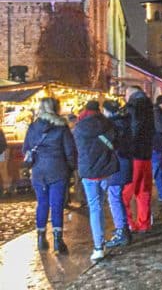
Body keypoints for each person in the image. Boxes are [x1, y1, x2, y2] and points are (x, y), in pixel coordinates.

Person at [23, 97, 76, 254]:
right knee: (57, 204)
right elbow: (70, 151)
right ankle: (58, 241)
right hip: (58, 170)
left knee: (42, 203)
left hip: (39, 170)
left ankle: (41, 238)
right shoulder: (62, 128)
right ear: (56, 108)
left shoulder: (33, 127)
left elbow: (26, 148)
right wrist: (71, 168)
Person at [72, 101, 119, 262]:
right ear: (98, 110)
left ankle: (98, 246)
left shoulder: (79, 127)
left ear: (85, 110)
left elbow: (75, 150)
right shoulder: (107, 123)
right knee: (104, 203)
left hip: (88, 171)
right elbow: (115, 143)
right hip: (106, 170)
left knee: (95, 207)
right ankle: (104, 239)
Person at [121, 86, 155, 234]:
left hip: (134, 156)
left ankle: (128, 224)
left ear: (130, 94)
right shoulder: (149, 108)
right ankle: (144, 223)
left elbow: (133, 130)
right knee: (144, 191)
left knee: (124, 194)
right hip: (146, 155)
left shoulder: (133, 108)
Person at [102, 100, 132, 248]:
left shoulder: (112, 126)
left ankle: (122, 231)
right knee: (117, 195)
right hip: (125, 161)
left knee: (114, 196)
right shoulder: (126, 122)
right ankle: (123, 229)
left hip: (117, 163)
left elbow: (111, 144)